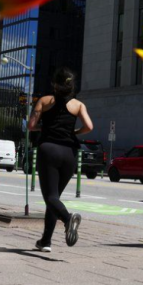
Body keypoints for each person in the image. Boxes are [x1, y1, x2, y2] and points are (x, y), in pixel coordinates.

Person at [27, 67, 93, 252]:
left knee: (50, 197)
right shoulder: (78, 105)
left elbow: (31, 126)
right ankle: (45, 241)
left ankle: (67, 218)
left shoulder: (45, 101)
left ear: (54, 84)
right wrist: (74, 132)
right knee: (54, 198)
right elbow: (89, 126)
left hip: (49, 149)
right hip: (70, 153)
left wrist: (44, 127)